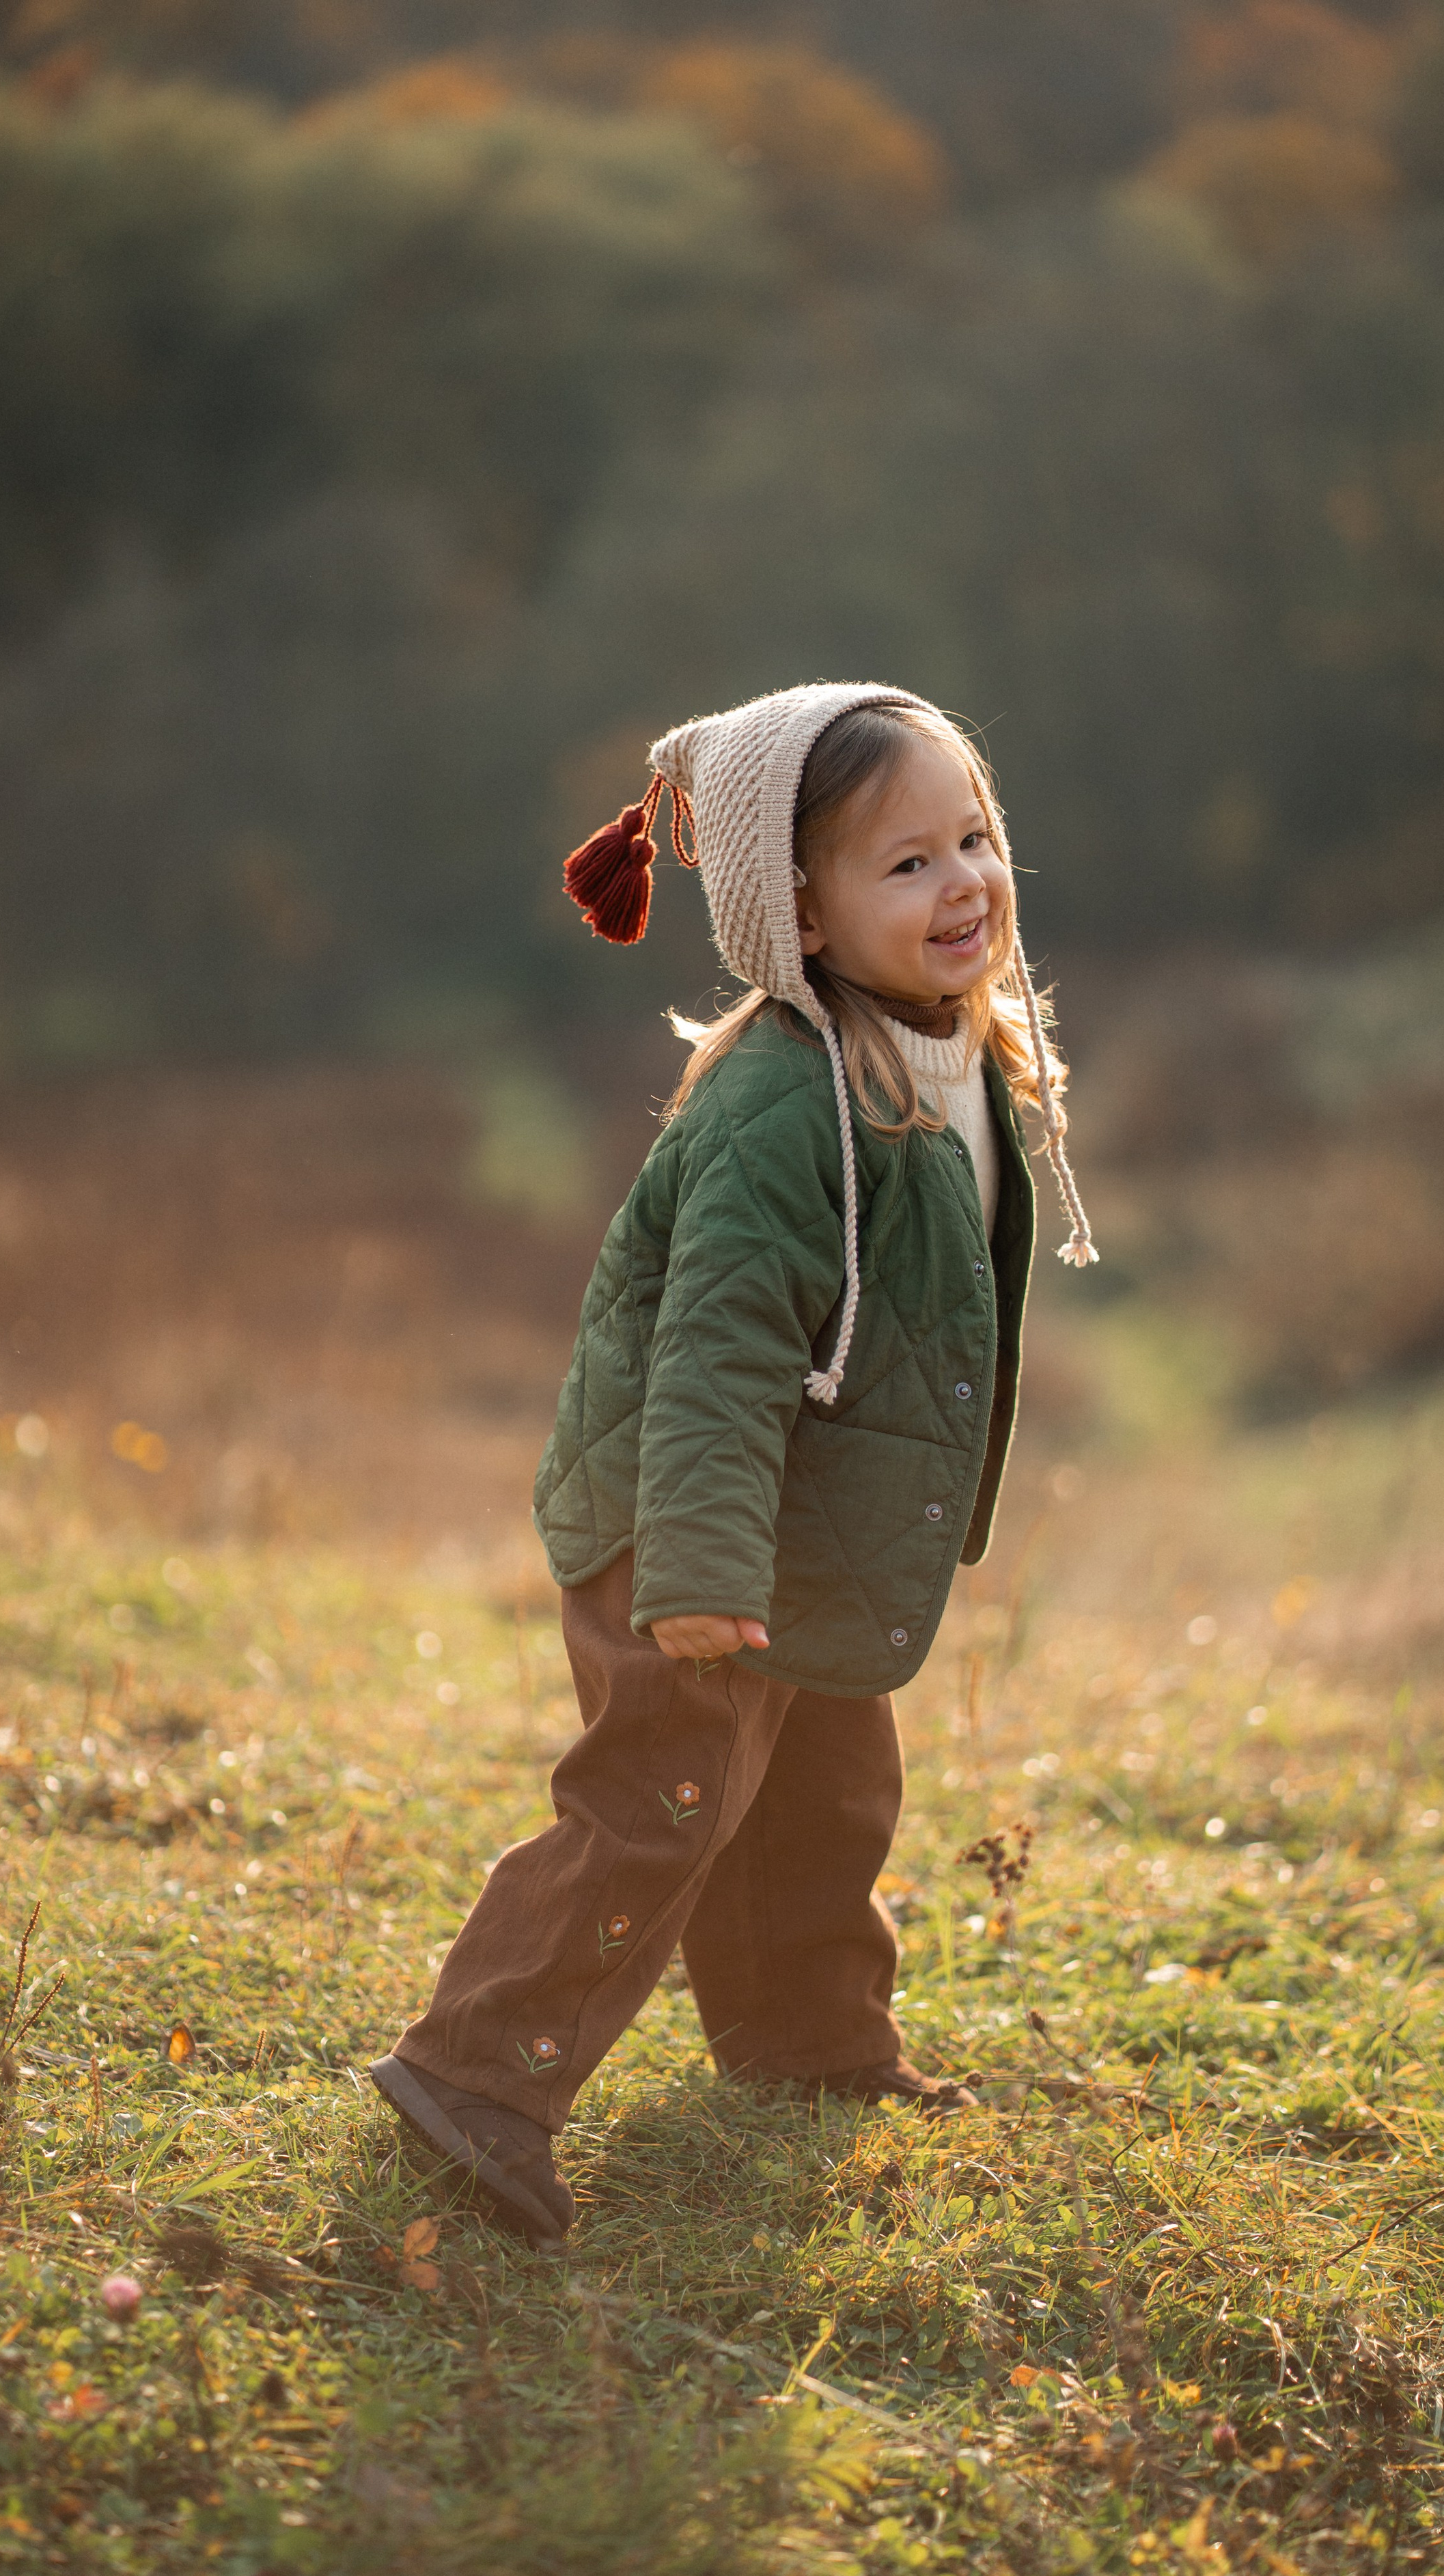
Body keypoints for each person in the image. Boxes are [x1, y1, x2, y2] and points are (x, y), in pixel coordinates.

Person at [367, 681, 1096, 2251]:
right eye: (903, 864)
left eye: (972, 838)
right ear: (803, 917)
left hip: (804, 1524)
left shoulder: (944, 1046)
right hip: (689, 1525)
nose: (961, 881)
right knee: (665, 1800)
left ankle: (809, 2050)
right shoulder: (787, 1098)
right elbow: (714, 1351)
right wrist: (695, 1572)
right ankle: (473, 2081)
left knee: (829, 1795)